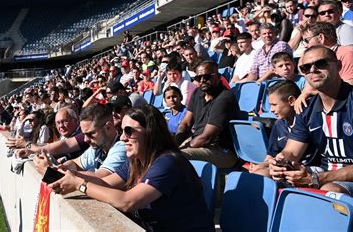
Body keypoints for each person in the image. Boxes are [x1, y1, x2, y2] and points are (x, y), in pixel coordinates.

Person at [49, 105, 215, 231]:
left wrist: (80, 184)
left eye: (129, 131)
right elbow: (104, 183)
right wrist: (70, 174)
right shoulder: (137, 160)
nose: (122, 137)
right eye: (122, 131)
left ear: (150, 132)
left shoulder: (168, 163)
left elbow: (127, 202)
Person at [269, 46, 353, 211]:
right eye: (306, 68)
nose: (313, 70)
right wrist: (281, 162)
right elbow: (292, 151)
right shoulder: (306, 109)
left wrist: (317, 179)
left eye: (321, 63)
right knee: (262, 174)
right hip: (327, 173)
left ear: (339, 66)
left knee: (330, 192)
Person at [176, 61, 245, 168]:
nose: (203, 80)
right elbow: (185, 124)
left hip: (222, 151)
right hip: (199, 143)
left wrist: (183, 147)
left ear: (218, 77)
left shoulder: (225, 98)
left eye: (207, 76)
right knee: (161, 153)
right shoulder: (198, 93)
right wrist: (174, 143)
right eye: (199, 78)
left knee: (175, 157)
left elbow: (207, 137)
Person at [32, 103, 126, 178]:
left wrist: (53, 173)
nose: (86, 139)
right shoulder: (98, 146)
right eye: (84, 134)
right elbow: (76, 163)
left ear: (108, 127)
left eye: (90, 134)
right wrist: (60, 168)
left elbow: (101, 177)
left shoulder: (121, 147)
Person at [251, 80, 317, 176]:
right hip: (284, 168)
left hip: (309, 170)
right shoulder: (278, 125)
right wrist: (263, 164)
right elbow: (271, 155)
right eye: (270, 105)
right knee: (257, 175)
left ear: (291, 101)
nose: (271, 110)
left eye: (274, 105)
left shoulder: (310, 121)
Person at [301, 22, 353, 88]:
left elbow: (350, 88)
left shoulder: (348, 53)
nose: (306, 46)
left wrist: (310, 91)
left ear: (321, 38)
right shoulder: (313, 59)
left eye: (307, 40)